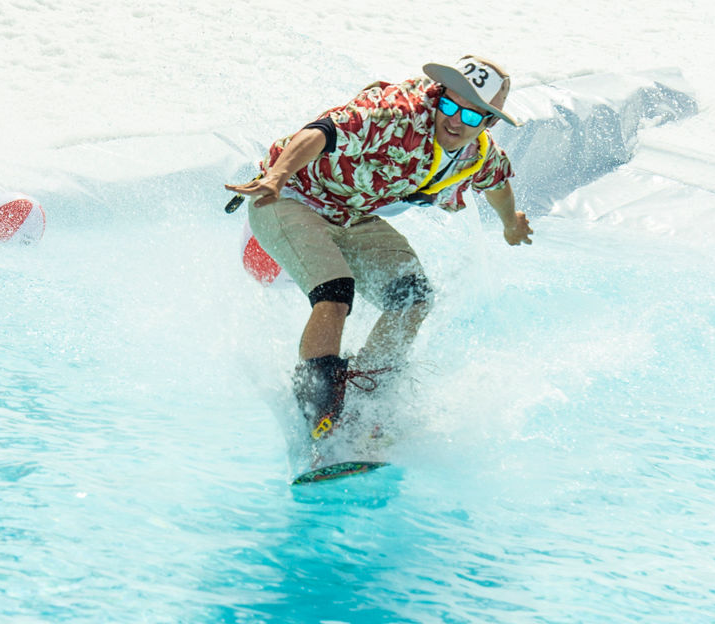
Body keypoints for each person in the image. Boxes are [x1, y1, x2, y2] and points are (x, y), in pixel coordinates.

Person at [226, 55, 533, 440]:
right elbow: (322, 132)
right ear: (439, 94)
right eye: (449, 105)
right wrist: (276, 176)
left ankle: (365, 402)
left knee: (413, 297)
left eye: (470, 115)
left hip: (350, 215)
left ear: (489, 122)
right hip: (289, 196)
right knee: (336, 292)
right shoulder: (395, 114)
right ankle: (320, 418)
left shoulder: (478, 156)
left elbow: (497, 183)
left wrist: (511, 224)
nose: (455, 121)